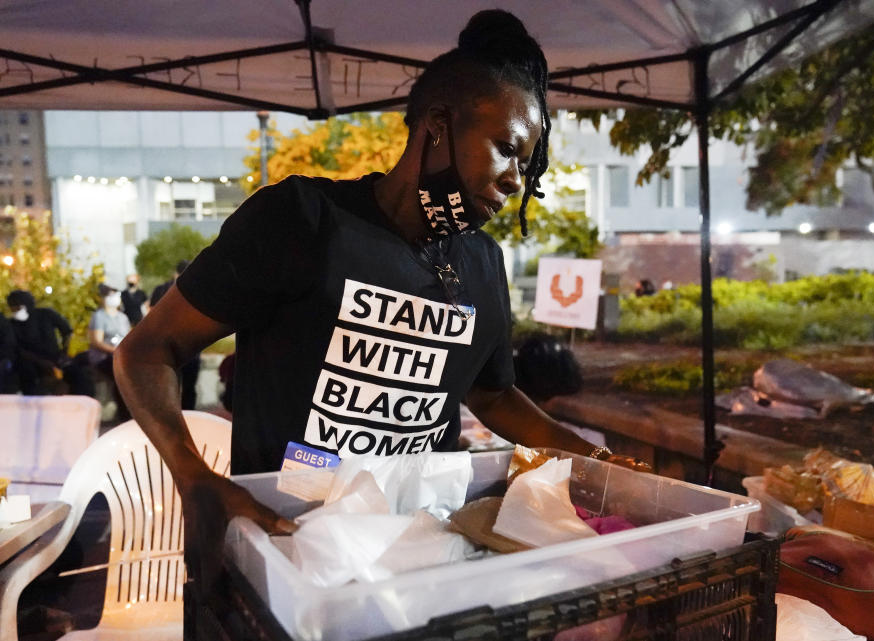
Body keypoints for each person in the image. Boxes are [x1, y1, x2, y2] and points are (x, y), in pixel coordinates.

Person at [114, 9, 646, 591]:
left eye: (526, 162)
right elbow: (147, 349)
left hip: (423, 555)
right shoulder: (302, 220)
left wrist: (596, 462)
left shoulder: (482, 263)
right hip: (293, 552)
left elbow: (493, 396)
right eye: (506, 148)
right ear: (438, 125)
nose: (518, 178)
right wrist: (193, 475)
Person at [6, 290, 94, 396]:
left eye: (18, 307)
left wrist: (65, 352)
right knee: (27, 375)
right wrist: (42, 363)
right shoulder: (11, 324)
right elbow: (16, 348)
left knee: (79, 375)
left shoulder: (46, 314)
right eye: (12, 307)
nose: (15, 310)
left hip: (56, 358)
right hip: (31, 362)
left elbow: (67, 332)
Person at [150, 260, 200, 410]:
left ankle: (172, 418)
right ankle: (188, 416)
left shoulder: (161, 289)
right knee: (189, 387)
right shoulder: (196, 289)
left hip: (168, 345)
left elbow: (152, 315)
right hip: (190, 345)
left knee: (171, 387)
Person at [88, 285, 131, 421]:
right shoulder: (99, 316)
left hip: (121, 356)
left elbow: (129, 338)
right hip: (104, 357)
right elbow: (96, 342)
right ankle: (125, 416)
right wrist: (115, 350)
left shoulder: (122, 317)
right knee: (120, 374)